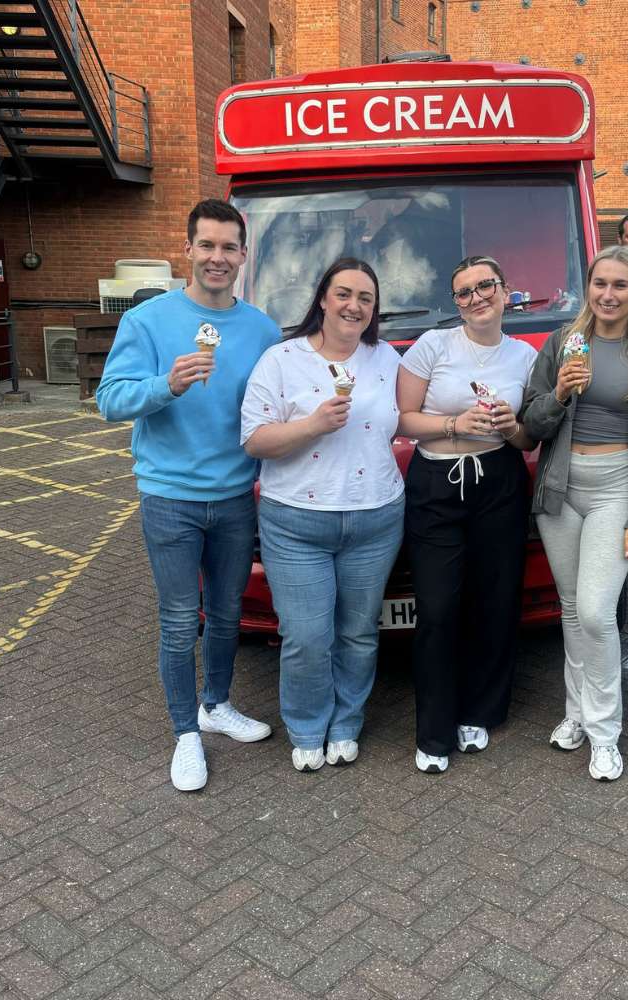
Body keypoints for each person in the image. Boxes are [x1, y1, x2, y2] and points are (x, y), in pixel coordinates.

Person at [97, 199, 281, 792]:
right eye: (207, 245)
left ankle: (215, 705)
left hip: (234, 496)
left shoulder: (261, 328)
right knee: (180, 621)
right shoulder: (148, 321)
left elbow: (271, 408)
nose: (218, 257)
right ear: (189, 250)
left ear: (243, 256)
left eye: (229, 247)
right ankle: (185, 734)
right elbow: (109, 400)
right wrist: (164, 385)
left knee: (227, 615)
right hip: (169, 496)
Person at [522, 245, 628, 781]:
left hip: (616, 488)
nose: (608, 295)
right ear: (587, 288)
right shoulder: (563, 344)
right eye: (600, 284)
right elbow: (531, 422)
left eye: (621, 285)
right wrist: (560, 395)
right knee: (571, 608)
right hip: (561, 490)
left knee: (596, 611)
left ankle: (604, 731)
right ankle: (575, 714)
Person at [241, 259, 404, 773]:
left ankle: (347, 724)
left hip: (376, 518)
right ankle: (308, 726)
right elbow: (254, 440)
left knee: (358, 632)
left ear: (374, 310)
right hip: (297, 523)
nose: (353, 305)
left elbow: (412, 418)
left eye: (365, 298)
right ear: (323, 299)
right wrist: (312, 425)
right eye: (344, 293)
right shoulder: (281, 360)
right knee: (307, 636)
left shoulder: (387, 360)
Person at [397, 255, 537, 774]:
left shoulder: (524, 357)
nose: (477, 297)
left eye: (486, 286)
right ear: (454, 302)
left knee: (495, 602)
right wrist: (455, 422)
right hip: (437, 481)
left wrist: (508, 427)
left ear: (505, 292)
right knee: (436, 609)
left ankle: (480, 712)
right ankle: (434, 730)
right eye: (464, 291)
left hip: (498, 479)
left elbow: (529, 435)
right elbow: (405, 418)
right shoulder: (434, 345)